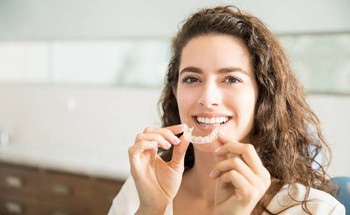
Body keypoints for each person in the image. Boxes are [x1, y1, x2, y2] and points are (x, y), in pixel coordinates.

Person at [108, 5, 345, 215]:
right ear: (175, 90)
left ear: (263, 94)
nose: (207, 98)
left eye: (231, 79)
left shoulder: (316, 209)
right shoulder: (140, 191)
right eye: (191, 79)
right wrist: (151, 211)